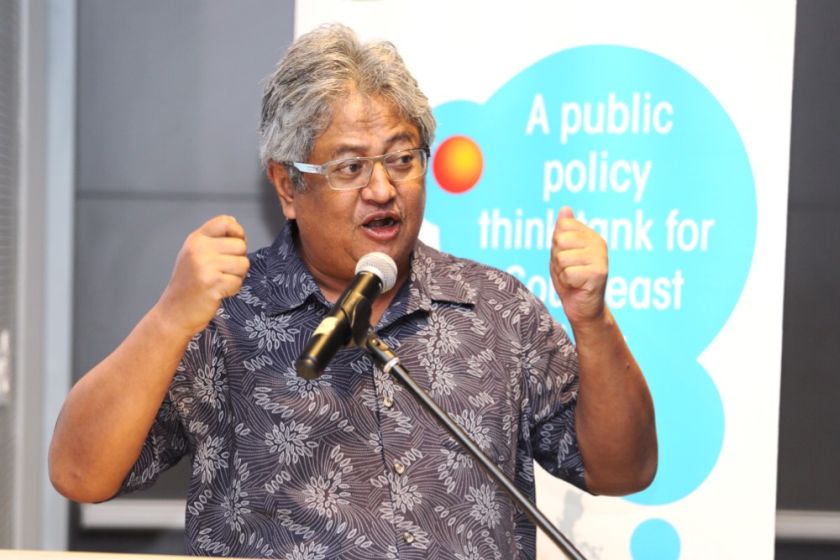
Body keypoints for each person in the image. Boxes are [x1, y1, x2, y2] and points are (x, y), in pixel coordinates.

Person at [49, 24, 656, 559]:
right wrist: (166, 321)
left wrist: (592, 322)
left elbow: (623, 469)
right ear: (287, 186)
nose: (383, 189)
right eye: (349, 167)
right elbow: (80, 473)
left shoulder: (495, 308)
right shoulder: (225, 314)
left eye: (402, 159)